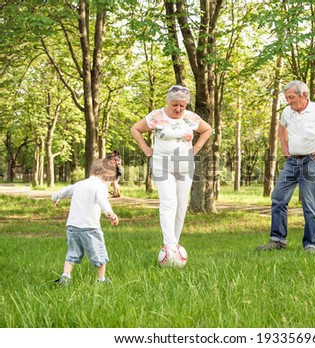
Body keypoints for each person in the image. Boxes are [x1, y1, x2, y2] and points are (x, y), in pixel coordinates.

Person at [257, 80, 315, 253]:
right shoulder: (288, 111)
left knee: (310, 204)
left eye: (292, 97)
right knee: (278, 198)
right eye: (286, 98)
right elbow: (281, 127)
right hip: (292, 162)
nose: (289, 101)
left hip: (312, 162)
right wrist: (284, 146)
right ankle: (277, 240)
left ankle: (311, 244)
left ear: (304, 95)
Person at [130, 85, 212, 247]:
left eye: (182, 105)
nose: (178, 108)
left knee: (181, 204)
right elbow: (135, 129)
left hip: (185, 166)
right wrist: (146, 149)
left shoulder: (191, 117)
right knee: (169, 202)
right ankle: (169, 243)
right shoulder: (156, 116)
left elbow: (207, 129)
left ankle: (175, 243)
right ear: (168, 103)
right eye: (175, 105)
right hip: (163, 166)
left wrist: (196, 148)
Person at [52, 158, 120, 287]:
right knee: (100, 255)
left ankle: (66, 276)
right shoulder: (100, 186)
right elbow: (102, 201)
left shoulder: (79, 184)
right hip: (90, 228)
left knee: (72, 253)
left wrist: (55, 197)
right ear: (106, 175)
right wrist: (109, 213)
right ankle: (101, 280)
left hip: (72, 227)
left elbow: (64, 191)